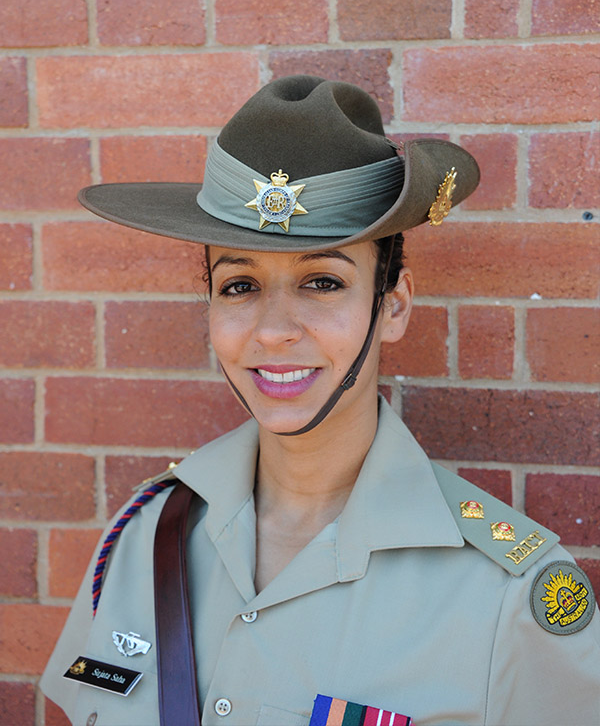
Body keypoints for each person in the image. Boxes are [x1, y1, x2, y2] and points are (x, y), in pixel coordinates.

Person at [41, 76, 600, 726]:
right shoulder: (146, 534)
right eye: (240, 284)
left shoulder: (510, 594)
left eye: (322, 281)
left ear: (392, 307)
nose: (273, 329)